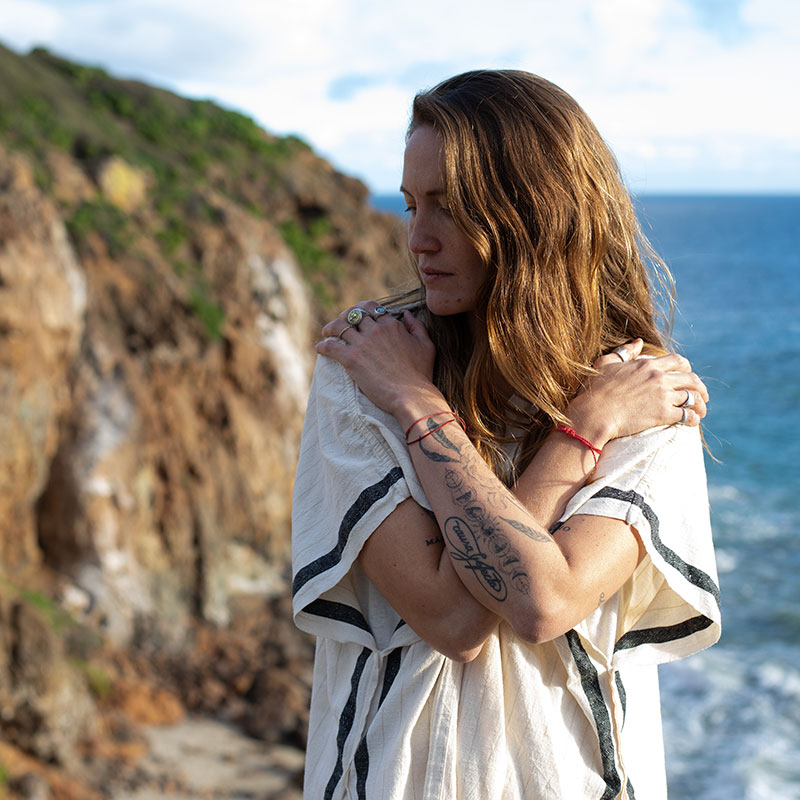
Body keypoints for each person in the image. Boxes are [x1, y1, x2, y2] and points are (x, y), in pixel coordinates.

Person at [292, 70, 720, 800]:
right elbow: (454, 618)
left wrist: (573, 421)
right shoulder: (365, 371)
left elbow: (542, 603)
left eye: (449, 207)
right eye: (409, 205)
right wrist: (425, 399)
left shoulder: (644, 393)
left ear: (535, 212)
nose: (417, 240)